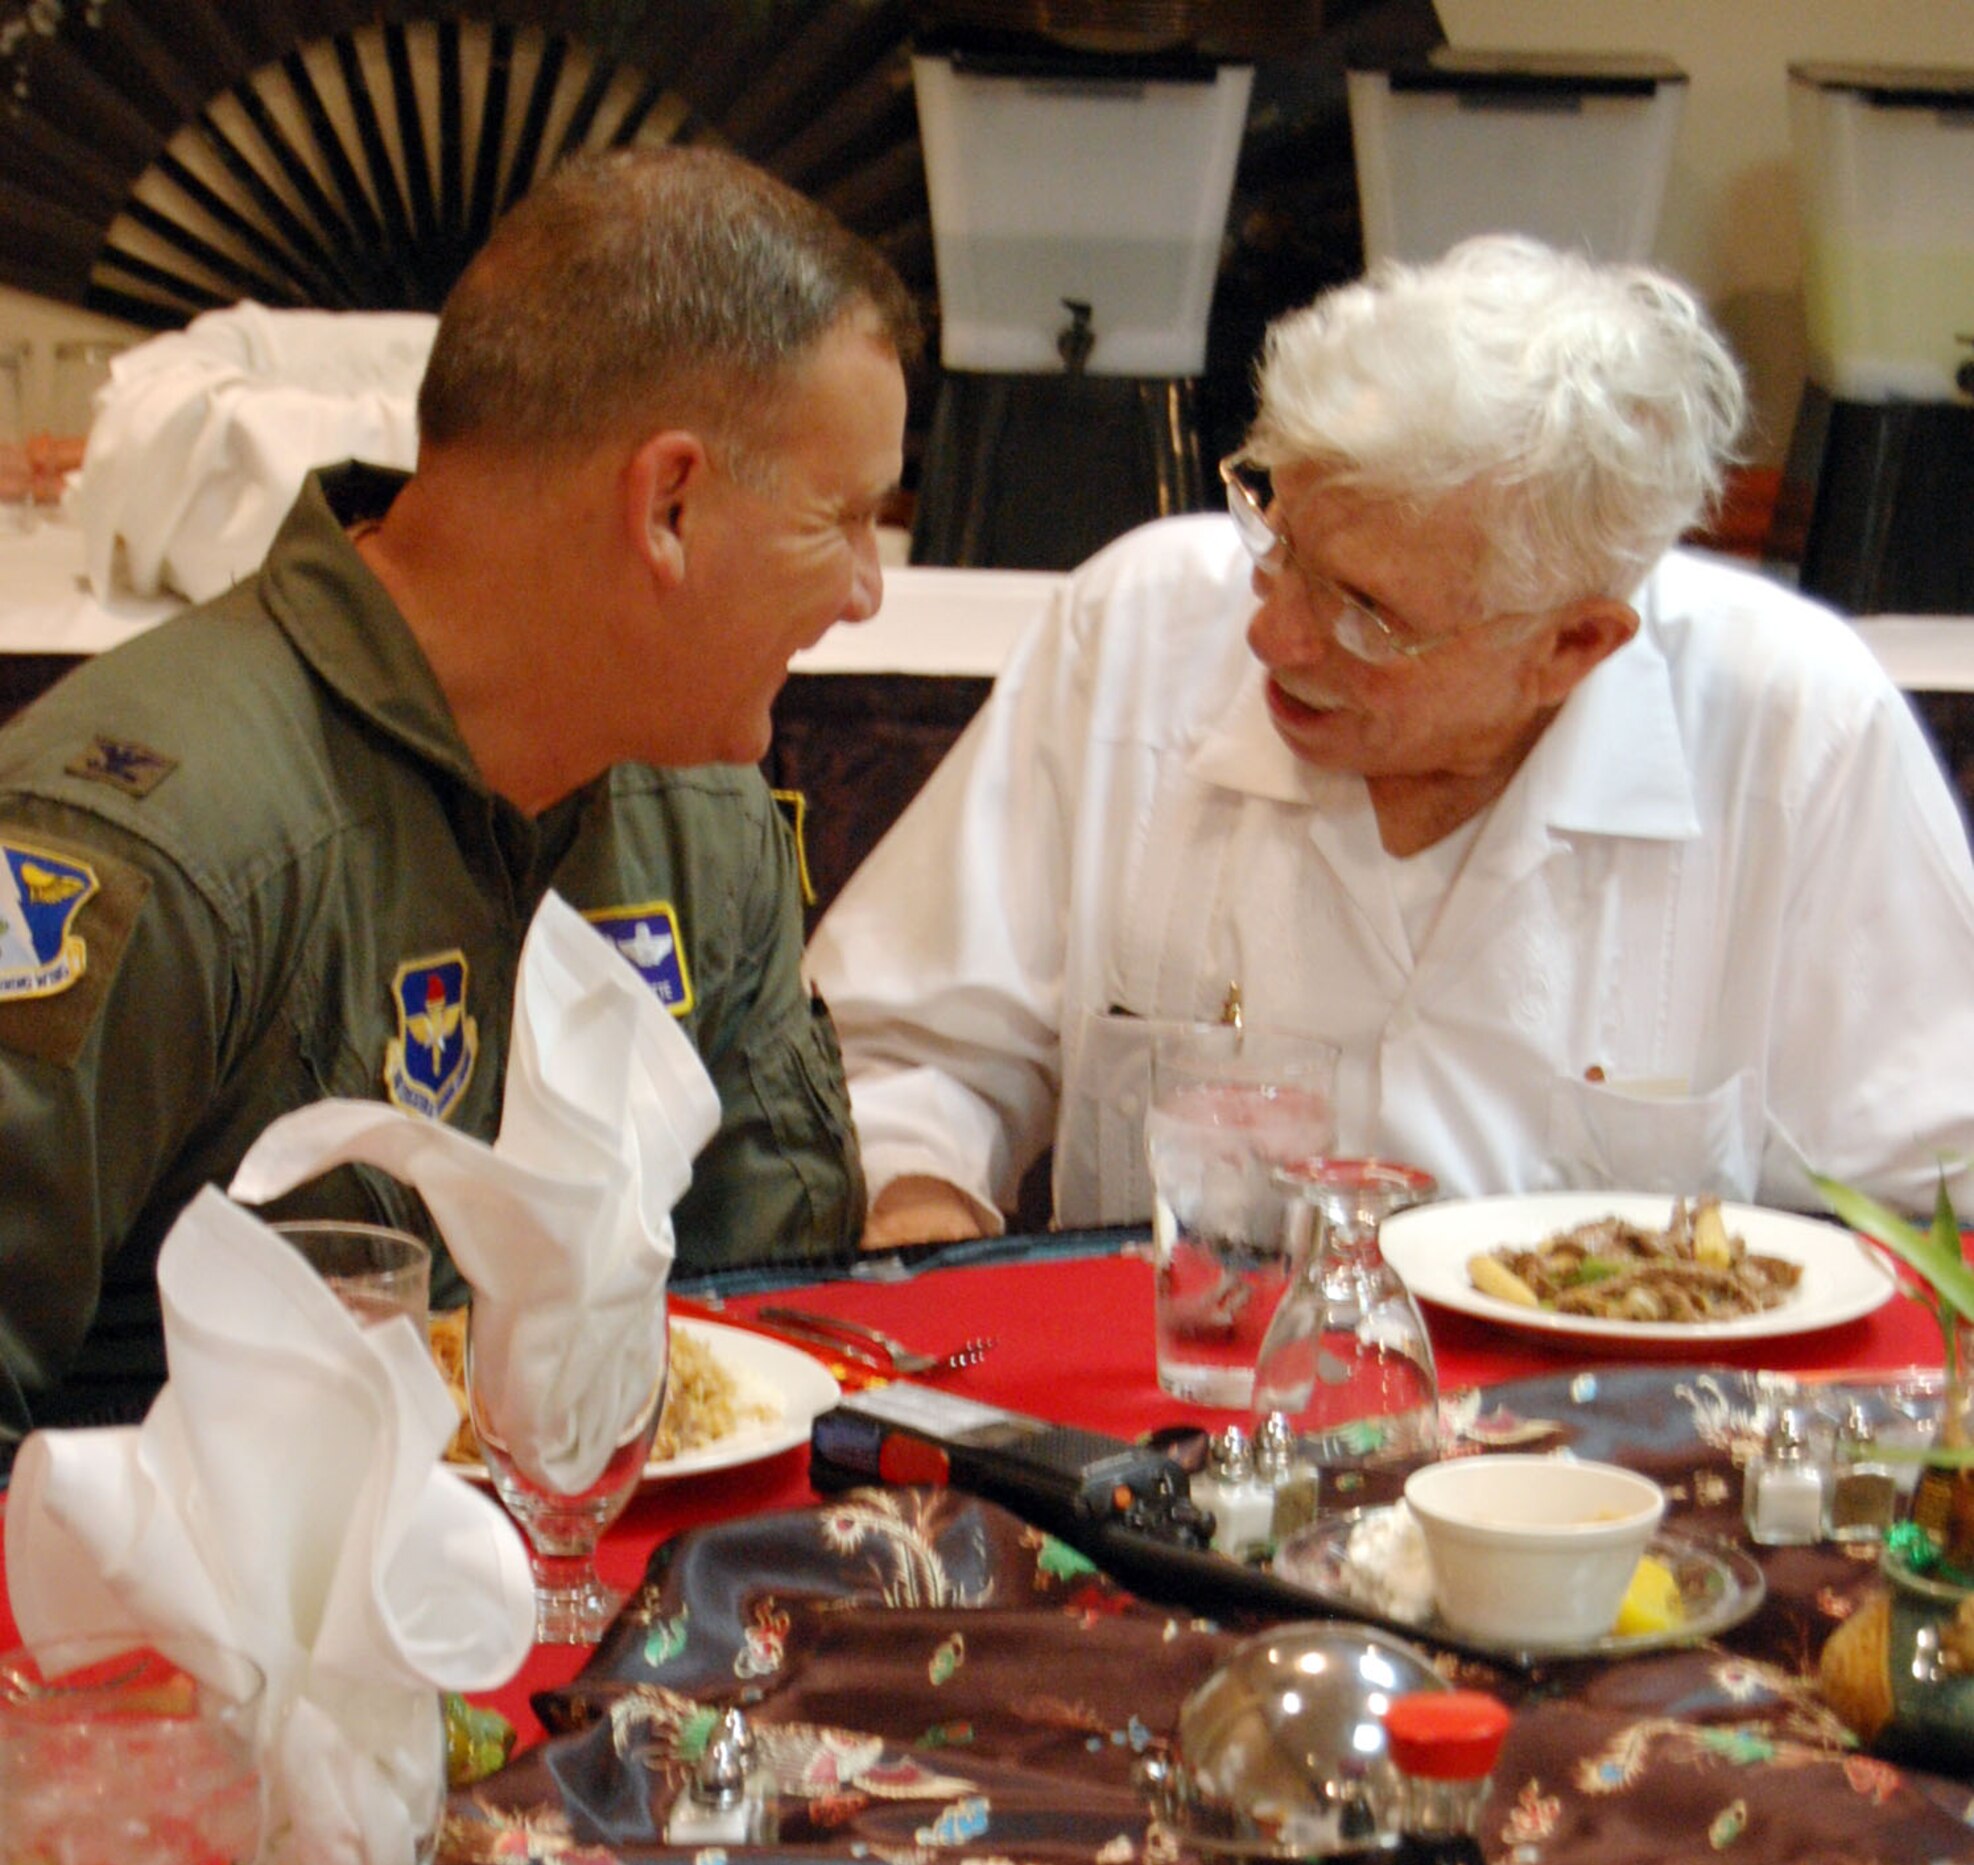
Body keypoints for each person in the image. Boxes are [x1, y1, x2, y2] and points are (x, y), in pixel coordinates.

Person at [0, 145, 918, 1442]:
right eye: (844, 519)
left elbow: (760, 1348)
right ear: (667, 504)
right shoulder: (162, 847)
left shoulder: (701, 820)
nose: (865, 591)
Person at [807, 234, 1974, 1248]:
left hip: (1614, 1469)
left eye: (1365, 611)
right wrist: (921, 1214)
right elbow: (914, 1047)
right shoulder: (1139, 628)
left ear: (1574, 644)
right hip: (1162, 1439)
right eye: (1278, 536)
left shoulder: (1796, 728)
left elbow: (1922, 1207)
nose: (1273, 630)